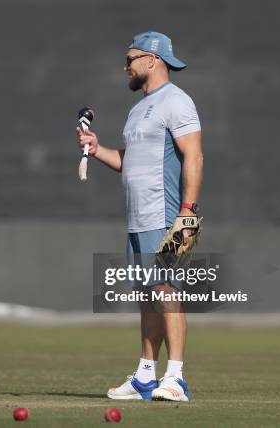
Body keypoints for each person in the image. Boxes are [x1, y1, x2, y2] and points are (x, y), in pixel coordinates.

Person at [77, 31, 203, 402]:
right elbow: (128, 162)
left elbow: (194, 156)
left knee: (168, 292)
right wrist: (98, 150)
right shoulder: (138, 109)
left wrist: (188, 214)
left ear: (152, 60)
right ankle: (146, 375)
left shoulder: (177, 102)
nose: (125, 66)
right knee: (150, 296)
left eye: (130, 58)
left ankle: (175, 377)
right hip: (138, 218)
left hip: (169, 215)